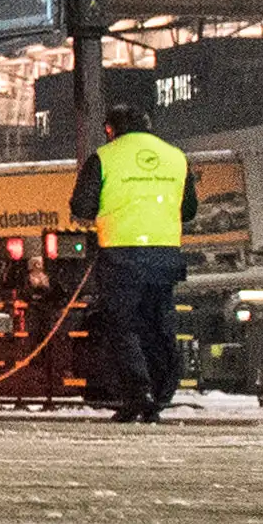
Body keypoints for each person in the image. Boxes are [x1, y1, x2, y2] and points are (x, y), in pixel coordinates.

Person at [69, 95, 191, 419]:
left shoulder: (104, 158)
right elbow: (189, 210)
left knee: (122, 326)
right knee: (159, 325)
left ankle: (137, 394)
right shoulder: (176, 158)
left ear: (111, 130)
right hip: (165, 257)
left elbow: (81, 207)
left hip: (121, 257)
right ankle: (161, 395)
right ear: (148, 127)